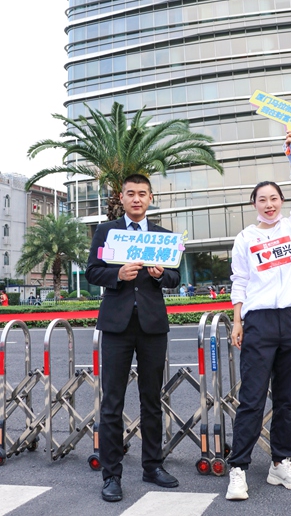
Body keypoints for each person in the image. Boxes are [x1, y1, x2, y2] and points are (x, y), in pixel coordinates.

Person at [226, 131, 291, 501]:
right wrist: (237, 321)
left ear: (282, 202)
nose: (269, 204)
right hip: (259, 322)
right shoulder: (245, 238)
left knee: (286, 399)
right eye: (262, 199)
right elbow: (240, 281)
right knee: (252, 398)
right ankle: (238, 469)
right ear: (254, 205)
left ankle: (282, 463)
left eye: (274, 198)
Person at [85, 174, 181, 503]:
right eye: (131, 193)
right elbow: (92, 271)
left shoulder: (163, 236)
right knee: (112, 402)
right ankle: (111, 474)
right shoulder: (106, 232)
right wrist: (117, 274)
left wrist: (161, 275)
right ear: (122, 198)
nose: (136, 199)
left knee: (151, 400)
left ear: (150, 198)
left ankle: (152, 466)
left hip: (152, 325)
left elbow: (176, 276)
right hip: (116, 326)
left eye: (142, 193)